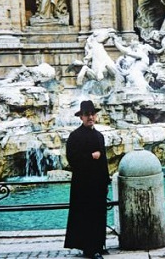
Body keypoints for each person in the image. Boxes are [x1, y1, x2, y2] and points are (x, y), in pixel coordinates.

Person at [64, 100, 110, 259]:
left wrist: (106, 181)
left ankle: (99, 244)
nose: (90, 117)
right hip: (83, 185)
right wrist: (90, 157)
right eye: (87, 115)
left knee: (99, 215)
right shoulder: (75, 136)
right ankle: (91, 249)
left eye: (92, 114)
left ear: (95, 116)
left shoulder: (100, 136)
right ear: (81, 117)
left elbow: (104, 161)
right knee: (87, 216)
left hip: (98, 184)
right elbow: (72, 159)